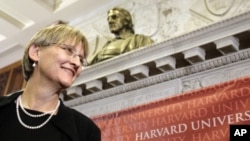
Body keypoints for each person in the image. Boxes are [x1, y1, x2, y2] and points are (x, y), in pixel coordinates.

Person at [0, 24, 101, 141]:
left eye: (81, 59)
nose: (77, 63)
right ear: (36, 52)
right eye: (68, 50)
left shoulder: (85, 130)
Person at [89, 7, 154, 64]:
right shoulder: (105, 46)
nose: (110, 21)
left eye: (114, 17)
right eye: (108, 19)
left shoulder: (140, 40)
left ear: (126, 21)